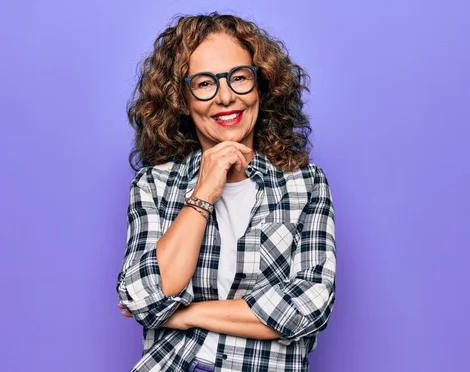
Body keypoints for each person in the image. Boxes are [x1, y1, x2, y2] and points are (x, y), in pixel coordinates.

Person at [116, 12, 336, 372]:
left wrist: (186, 314)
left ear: (261, 88)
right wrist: (202, 195)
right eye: (204, 83)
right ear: (182, 100)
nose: (226, 97)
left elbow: (309, 307)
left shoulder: (306, 184)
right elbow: (143, 296)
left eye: (239, 78)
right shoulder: (153, 185)